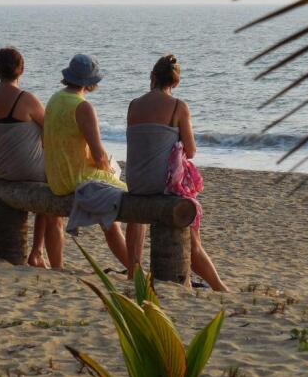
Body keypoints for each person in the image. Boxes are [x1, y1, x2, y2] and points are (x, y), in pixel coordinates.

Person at [125, 54, 228, 291]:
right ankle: (219, 286)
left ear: (152, 76)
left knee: (136, 217)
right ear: (176, 83)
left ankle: (133, 272)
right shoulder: (178, 106)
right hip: (160, 185)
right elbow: (190, 151)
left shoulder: (133, 105)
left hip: (136, 182)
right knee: (191, 227)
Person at [43, 54, 130, 270]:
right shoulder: (83, 107)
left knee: (54, 216)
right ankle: (134, 269)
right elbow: (99, 155)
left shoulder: (54, 99)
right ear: (90, 82)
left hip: (56, 178)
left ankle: (57, 267)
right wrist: (108, 169)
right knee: (124, 199)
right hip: (78, 178)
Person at [0, 47, 60, 268]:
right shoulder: (26, 99)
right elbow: (52, 128)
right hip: (24, 169)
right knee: (53, 186)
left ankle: (37, 253)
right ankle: (37, 251)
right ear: (21, 69)